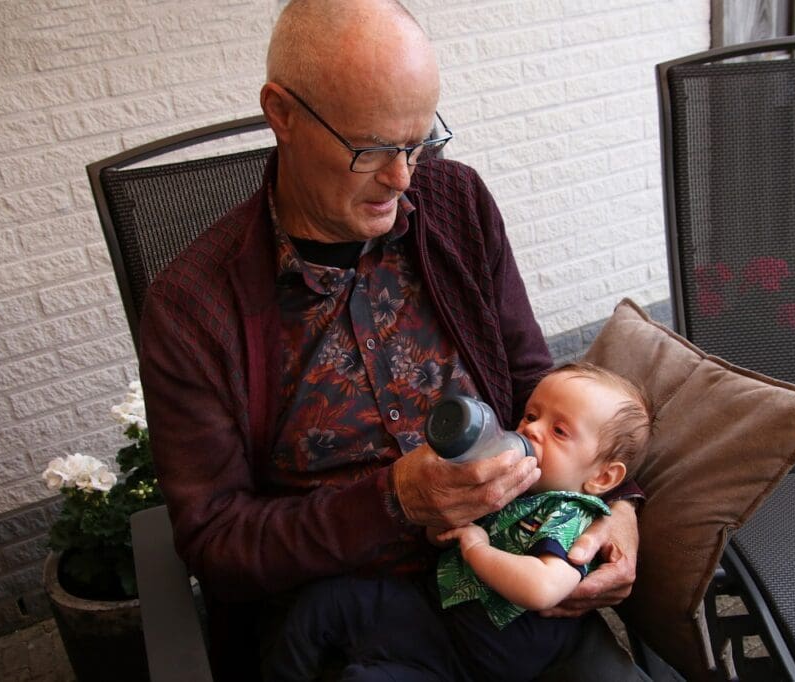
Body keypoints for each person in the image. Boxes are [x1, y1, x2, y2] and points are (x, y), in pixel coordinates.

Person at [138, 1, 643, 678]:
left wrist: (618, 507)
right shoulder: (194, 307)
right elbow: (219, 542)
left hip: (515, 594)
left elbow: (536, 388)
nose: (403, 179)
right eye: (371, 148)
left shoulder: (454, 203)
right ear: (281, 114)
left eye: (417, 142)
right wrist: (392, 502)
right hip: (346, 624)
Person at [262, 362, 652, 681]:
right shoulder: (510, 481)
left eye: (559, 430)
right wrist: (445, 521)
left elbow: (542, 588)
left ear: (602, 478)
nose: (531, 429)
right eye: (531, 415)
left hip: (479, 660)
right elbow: (440, 534)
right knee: (326, 602)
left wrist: (478, 547)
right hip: (434, 612)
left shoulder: (572, 516)